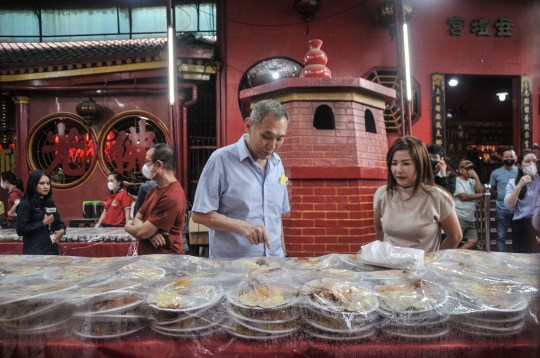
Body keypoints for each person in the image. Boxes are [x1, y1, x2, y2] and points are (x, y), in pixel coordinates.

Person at [191, 99, 290, 258]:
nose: (272, 146)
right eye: (266, 136)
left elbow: (276, 217)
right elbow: (199, 214)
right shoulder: (221, 161)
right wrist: (241, 226)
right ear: (249, 126)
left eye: (279, 139)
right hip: (233, 270)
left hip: (274, 267)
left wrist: (284, 255)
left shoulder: (278, 164)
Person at [373, 136, 462, 253]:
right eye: (394, 163)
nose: (398, 170)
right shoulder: (382, 194)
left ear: (420, 164)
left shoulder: (437, 197)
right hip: (391, 269)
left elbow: (455, 237)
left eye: (406, 164)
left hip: (423, 269)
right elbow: (380, 231)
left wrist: (432, 261)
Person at [125, 143, 186, 255]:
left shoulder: (172, 196)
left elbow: (141, 232)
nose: (144, 166)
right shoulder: (153, 190)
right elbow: (138, 219)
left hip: (166, 262)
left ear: (158, 164)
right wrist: (150, 233)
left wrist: (128, 226)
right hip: (150, 261)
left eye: (147, 162)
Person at [16, 170, 66, 255]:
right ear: (34, 184)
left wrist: (62, 230)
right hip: (35, 252)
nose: (46, 186)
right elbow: (21, 230)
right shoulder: (26, 204)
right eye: (42, 183)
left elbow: (59, 223)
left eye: (48, 183)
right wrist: (43, 223)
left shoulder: (49, 203)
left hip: (52, 251)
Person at [504, 149, 540, 253]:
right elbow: (508, 205)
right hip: (520, 225)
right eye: (527, 162)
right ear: (519, 165)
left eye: (534, 161)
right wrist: (519, 186)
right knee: (521, 257)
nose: (532, 164)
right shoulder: (512, 183)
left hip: (537, 224)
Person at [488, 148, 518, 252]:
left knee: (517, 235)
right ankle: (501, 257)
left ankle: (517, 257)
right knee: (501, 235)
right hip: (501, 207)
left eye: (511, 157)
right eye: (506, 157)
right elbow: (492, 189)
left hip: (518, 208)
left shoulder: (520, 172)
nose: (509, 159)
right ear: (502, 159)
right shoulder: (496, 173)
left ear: (516, 158)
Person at [454, 160, 483, 250]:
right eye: (467, 169)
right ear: (461, 169)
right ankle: (449, 256)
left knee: (473, 241)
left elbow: (479, 191)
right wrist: (481, 195)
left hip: (470, 217)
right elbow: (463, 196)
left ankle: (457, 254)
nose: (469, 171)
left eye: (471, 169)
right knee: (456, 239)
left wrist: (477, 178)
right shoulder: (457, 180)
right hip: (460, 215)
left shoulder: (472, 181)